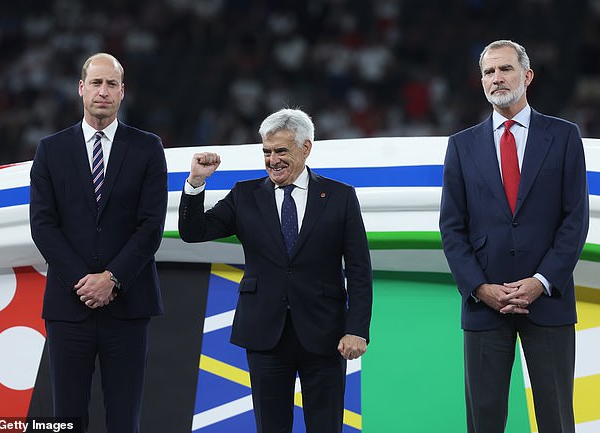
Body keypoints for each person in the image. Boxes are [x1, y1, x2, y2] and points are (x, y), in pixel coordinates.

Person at [178, 108, 372, 433]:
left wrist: (357, 329)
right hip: (265, 334)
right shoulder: (245, 195)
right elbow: (193, 232)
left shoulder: (340, 196)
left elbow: (359, 270)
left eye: (281, 151)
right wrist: (196, 182)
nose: (272, 160)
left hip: (325, 335)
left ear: (306, 148)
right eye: (266, 152)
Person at [439, 39, 589, 433]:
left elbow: (575, 220)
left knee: (556, 419)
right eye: (488, 72)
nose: (496, 78)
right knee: (484, 422)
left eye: (505, 69)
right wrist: (480, 288)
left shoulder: (564, 137)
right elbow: (452, 229)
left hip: (549, 303)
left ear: (528, 76)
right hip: (484, 306)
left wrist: (541, 282)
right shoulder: (460, 146)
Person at [29, 53, 168, 432]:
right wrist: (85, 281)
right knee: (67, 420)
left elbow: (151, 227)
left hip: (128, 304)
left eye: (111, 84)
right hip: (68, 305)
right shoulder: (50, 150)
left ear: (122, 92)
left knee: (125, 419)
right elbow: (43, 226)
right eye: (96, 83)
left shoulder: (148, 148)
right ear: (81, 89)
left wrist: (112, 279)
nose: (102, 91)